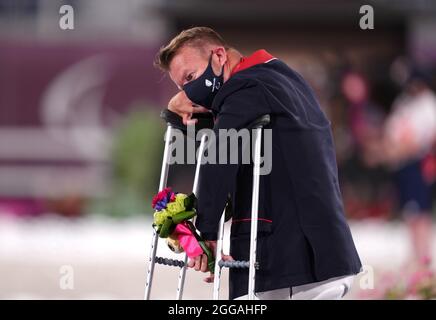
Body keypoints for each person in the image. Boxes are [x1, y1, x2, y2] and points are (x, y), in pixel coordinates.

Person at [154, 27, 362, 300]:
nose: (190, 92)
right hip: (324, 256)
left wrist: (205, 233)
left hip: (290, 267)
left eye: (191, 78)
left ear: (219, 56)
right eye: (182, 86)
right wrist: (177, 108)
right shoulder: (279, 77)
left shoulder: (244, 88)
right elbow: (226, 127)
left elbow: (220, 155)